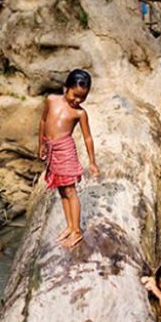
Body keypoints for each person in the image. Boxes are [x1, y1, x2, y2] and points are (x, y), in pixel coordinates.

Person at [38, 69, 100, 248]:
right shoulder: (51, 100)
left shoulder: (79, 113)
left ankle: (77, 231)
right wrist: (41, 144)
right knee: (62, 191)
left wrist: (92, 161)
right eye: (75, 95)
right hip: (52, 150)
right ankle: (70, 226)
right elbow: (43, 121)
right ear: (66, 88)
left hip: (65, 152)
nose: (78, 101)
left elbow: (87, 137)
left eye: (83, 97)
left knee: (70, 191)